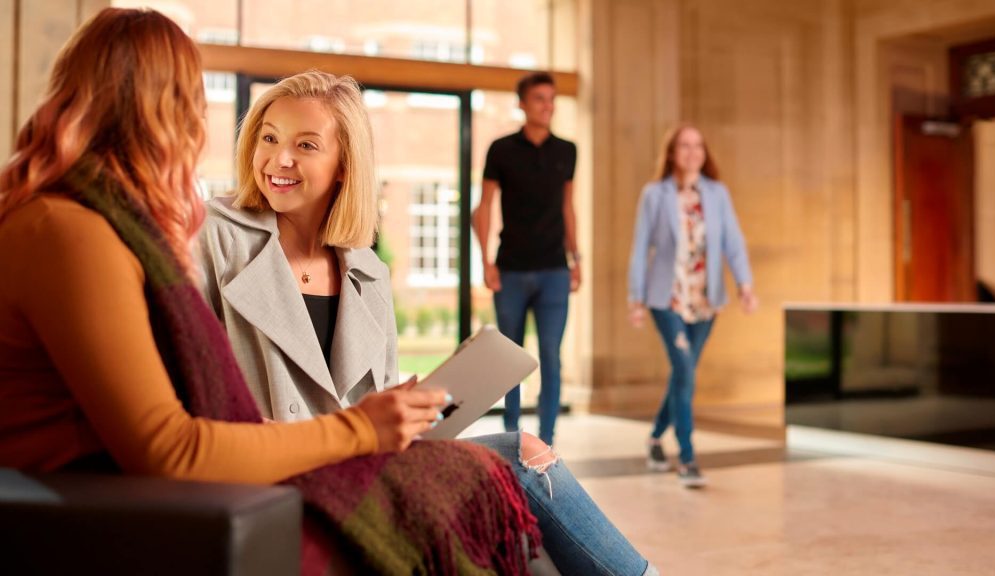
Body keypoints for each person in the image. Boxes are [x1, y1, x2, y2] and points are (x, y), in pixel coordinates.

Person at [0, 9, 544, 575]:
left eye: (307, 145)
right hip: (114, 511)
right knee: (499, 480)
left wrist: (386, 416)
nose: (199, 127)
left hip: (150, 493)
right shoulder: (72, 232)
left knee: (508, 477)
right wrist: (362, 428)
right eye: (193, 102)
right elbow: (173, 446)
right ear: (168, 116)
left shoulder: (84, 224)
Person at [196, 70, 658, 576]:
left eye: (305, 145)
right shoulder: (215, 242)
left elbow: (376, 404)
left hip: (363, 464)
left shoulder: (366, 270)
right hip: (286, 471)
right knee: (518, 479)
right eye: (268, 137)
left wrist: (407, 409)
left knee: (528, 469)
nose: (279, 159)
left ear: (345, 166)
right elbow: (200, 405)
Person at [627, 123, 758, 489]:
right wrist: (634, 299)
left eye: (697, 145)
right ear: (672, 152)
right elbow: (641, 249)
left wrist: (745, 285)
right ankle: (687, 457)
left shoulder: (717, 194)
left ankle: (655, 437)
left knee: (683, 374)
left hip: (705, 298)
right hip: (666, 297)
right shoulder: (655, 194)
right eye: (684, 146)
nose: (691, 152)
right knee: (684, 369)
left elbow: (734, 242)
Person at [471, 72, 579, 446]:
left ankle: (546, 442)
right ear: (522, 103)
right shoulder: (501, 150)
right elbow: (482, 208)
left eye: (551, 99)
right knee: (511, 360)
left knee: (551, 355)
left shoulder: (567, 151)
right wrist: (486, 262)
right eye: (539, 99)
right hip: (511, 271)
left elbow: (568, 208)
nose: (547, 106)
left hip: (554, 271)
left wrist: (575, 258)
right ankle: (513, 437)